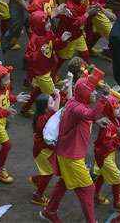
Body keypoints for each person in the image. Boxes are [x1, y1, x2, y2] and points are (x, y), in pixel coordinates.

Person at [41, 69, 110, 223]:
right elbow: (90, 114)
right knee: (88, 189)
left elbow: (87, 116)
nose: (95, 95)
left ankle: (49, 211)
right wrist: (104, 98)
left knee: (65, 182)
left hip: (68, 152)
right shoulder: (77, 107)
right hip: (71, 156)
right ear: (85, 93)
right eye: (92, 92)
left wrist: (96, 120)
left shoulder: (75, 102)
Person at [0, 64, 30, 184]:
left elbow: (6, 97)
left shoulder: (4, 87)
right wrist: (6, 111)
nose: (8, 81)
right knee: (7, 145)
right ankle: (0, 169)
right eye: (6, 79)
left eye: (9, 78)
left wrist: (15, 98)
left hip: (2, 120)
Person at [21, 10, 68, 117]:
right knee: (56, 95)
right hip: (41, 73)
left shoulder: (48, 33)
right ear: (38, 25)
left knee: (38, 90)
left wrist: (62, 40)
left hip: (47, 68)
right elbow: (29, 58)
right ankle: (59, 115)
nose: (49, 24)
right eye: (45, 23)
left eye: (48, 22)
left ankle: (25, 109)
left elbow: (54, 46)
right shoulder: (34, 40)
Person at [93, 95, 120, 212]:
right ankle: (117, 202)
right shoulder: (106, 126)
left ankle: (95, 194)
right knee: (117, 176)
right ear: (109, 110)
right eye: (116, 108)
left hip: (109, 154)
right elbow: (107, 146)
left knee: (102, 175)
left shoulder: (117, 121)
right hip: (104, 156)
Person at [29, 92, 60, 206]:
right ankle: (37, 196)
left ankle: (37, 180)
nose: (54, 103)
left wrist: (58, 96)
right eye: (51, 102)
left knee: (48, 171)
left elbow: (55, 108)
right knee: (48, 173)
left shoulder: (45, 114)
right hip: (43, 151)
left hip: (43, 150)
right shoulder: (43, 119)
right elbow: (48, 140)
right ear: (46, 107)